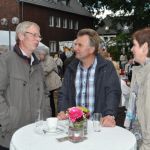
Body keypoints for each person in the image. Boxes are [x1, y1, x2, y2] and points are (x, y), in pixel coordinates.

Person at [0, 21, 51, 149]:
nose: (38, 39)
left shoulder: (38, 65)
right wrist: (7, 120)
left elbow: (45, 93)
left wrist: (46, 116)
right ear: (21, 36)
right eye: (34, 35)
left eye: (39, 36)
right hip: (11, 133)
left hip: (36, 132)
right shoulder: (6, 60)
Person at [57, 28, 121, 127]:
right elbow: (64, 93)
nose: (75, 48)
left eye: (80, 45)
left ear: (92, 49)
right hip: (74, 126)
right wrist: (62, 110)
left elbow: (113, 92)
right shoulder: (71, 68)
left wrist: (109, 114)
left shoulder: (106, 67)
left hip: (98, 126)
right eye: (75, 44)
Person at [124, 27, 150, 150]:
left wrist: (145, 146)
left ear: (145, 47)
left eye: (134, 45)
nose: (131, 49)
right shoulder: (141, 71)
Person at [37, 49, 62, 117]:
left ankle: (55, 114)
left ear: (44, 54)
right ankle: (52, 114)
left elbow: (46, 70)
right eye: (39, 55)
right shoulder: (41, 61)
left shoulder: (49, 59)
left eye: (40, 55)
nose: (39, 56)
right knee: (50, 100)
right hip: (48, 84)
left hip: (54, 83)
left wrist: (39, 73)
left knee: (54, 100)